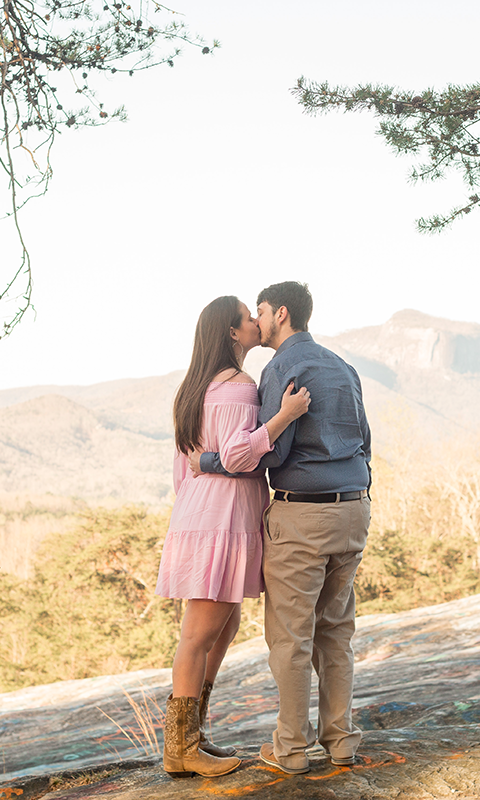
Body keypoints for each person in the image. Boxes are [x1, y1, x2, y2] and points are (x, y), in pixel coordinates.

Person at [195, 281, 371, 775]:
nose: (258, 318)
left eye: (263, 311)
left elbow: (268, 453)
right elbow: (366, 442)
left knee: (292, 637)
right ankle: (342, 742)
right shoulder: (344, 367)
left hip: (304, 515)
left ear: (282, 314)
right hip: (354, 509)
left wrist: (208, 460)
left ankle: (292, 749)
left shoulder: (281, 370)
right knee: (336, 631)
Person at [156, 295, 311, 779]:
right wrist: (285, 416)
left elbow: (187, 468)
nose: (254, 323)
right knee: (199, 636)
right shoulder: (238, 387)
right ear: (231, 332)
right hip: (222, 519)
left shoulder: (197, 388)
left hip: (204, 515)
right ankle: (180, 748)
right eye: (247, 317)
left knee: (219, 629)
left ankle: (192, 737)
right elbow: (241, 456)